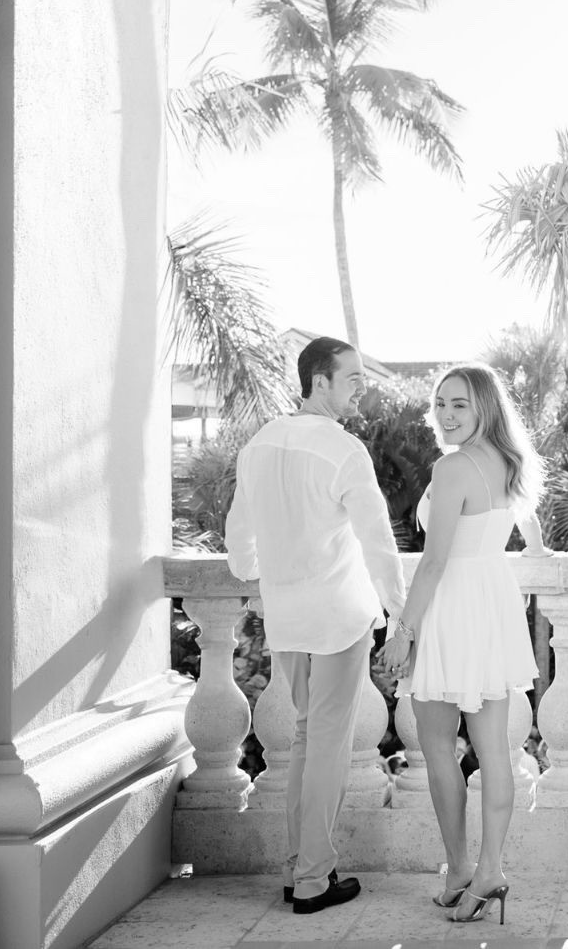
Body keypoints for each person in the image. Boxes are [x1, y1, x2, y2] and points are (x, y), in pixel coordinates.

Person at [225, 336, 406, 915]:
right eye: (352, 376)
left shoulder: (260, 444)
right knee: (324, 743)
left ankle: (298, 867)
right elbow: (379, 543)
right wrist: (400, 612)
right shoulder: (343, 451)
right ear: (319, 381)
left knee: (307, 738)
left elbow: (239, 546)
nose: (361, 386)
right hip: (337, 616)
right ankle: (312, 879)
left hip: (286, 617)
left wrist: (261, 571)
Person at [380, 363, 551, 925]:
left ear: (484, 409)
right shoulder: (509, 462)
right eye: (442, 403)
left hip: (452, 604)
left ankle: (462, 868)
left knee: (438, 748)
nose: (447, 415)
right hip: (494, 602)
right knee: (495, 750)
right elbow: (527, 530)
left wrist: (403, 632)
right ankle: (488, 871)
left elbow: (433, 561)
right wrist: (538, 553)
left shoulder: (453, 468)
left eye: (460, 405)